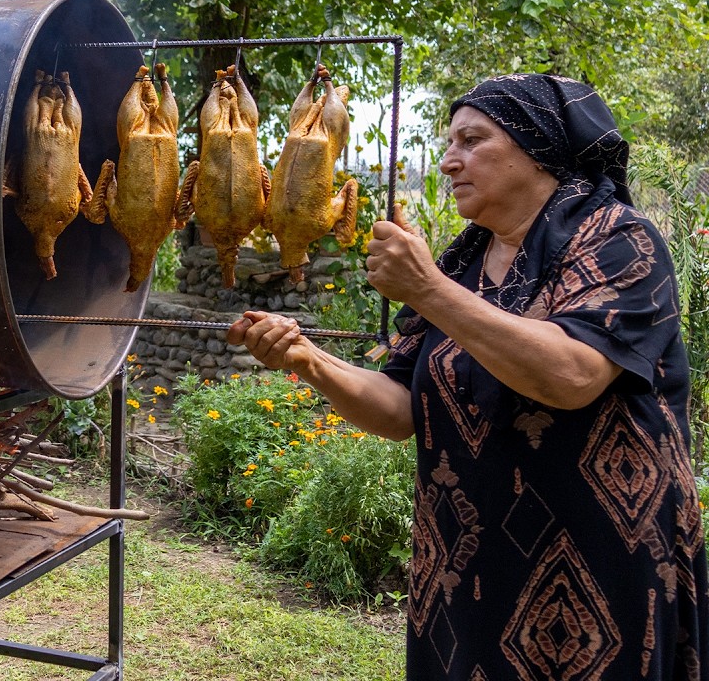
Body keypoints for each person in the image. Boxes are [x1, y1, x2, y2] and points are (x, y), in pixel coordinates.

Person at [228, 73, 709, 680]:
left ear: (539, 150)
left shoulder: (617, 238)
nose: (450, 161)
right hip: (469, 560)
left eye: (472, 140)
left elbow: (572, 374)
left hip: (598, 563)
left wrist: (427, 289)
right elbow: (401, 408)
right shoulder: (463, 263)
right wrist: (307, 358)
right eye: (449, 143)